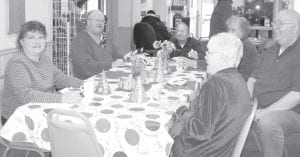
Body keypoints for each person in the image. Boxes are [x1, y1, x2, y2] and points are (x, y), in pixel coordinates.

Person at [169, 33, 252, 157]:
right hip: (221, 148)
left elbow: (201, 131)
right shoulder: (238, 80)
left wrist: (180, 109)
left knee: (160, 133)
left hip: (199, 151)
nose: (206, 57)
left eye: (209, 52)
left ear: (222, 57)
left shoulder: (215, 84)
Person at [1, 21, 83, 124]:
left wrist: (84, 84)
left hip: (43, 110)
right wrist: (62, 98)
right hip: (19, 118)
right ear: (21, 42)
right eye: (31, 37)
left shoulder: (44, 59)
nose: (37, 41)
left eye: (40, 37)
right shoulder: (16, 62)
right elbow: (27, 95)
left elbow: (61, 79)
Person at [247, 10, 300, 157]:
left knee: (268, 122)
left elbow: (296, 96)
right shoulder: (270, 50)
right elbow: (252, 79)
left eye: (280, 24)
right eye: (274, 23)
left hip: (292, 112)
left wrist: (265, 111)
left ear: (295, 27)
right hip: (259, 105)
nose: (274, 28)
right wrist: (248, 101)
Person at [70, 10, 124, 80]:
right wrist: (111, 65)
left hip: (109, 79)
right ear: (88, 22)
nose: (100, 23)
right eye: (97, 20)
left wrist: (126, 58)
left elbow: (116, 55)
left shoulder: (105, 39)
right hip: (89, 83)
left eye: (102, 21)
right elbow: (86, 66)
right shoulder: (79, 40)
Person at [227, 15, 258, 81]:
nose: (229, 33)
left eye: (233, 30)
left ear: (243, 31)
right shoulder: (238, 44)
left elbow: (239, 73)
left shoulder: (245, 46)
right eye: (229, 29)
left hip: (244, 82)